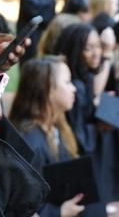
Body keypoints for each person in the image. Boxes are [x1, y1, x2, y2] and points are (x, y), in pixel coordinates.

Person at [9, 56, 101, 217]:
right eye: (67, 82)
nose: (74, 88)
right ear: (46, 89)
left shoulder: (55, 123)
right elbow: (21, 207)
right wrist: (59, 212)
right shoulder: (29, 143)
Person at [56, 23, 119, 212]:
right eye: (88, 48)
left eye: (98, 46)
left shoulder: (84, 73)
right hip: (78, 164)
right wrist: (99, 125)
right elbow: (77, 136)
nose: (96, 53)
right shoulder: (74, 85)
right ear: (75, 50)